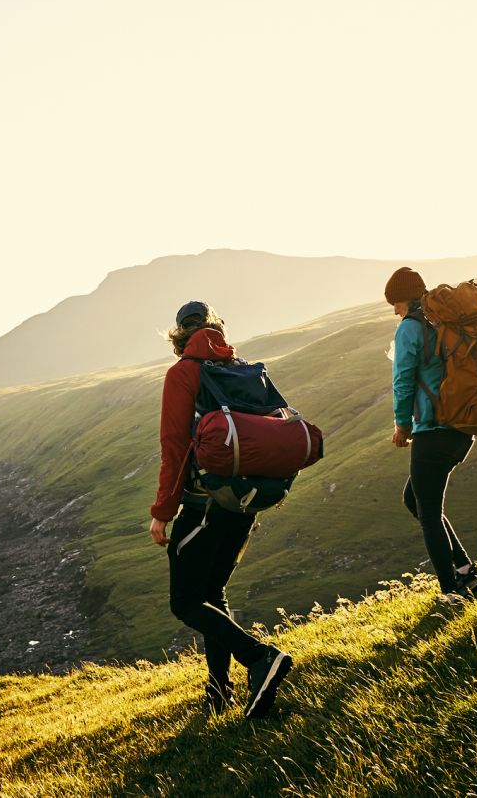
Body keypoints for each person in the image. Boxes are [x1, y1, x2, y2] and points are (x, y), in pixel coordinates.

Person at [148, 300, 292, 718]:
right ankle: (219, 692)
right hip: (245, 501)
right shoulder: (243, 368)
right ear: (217, 330)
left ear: (179, 336)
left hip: (203, 504)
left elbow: (174, 447)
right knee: (213, 593)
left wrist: (163, 511)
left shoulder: (183, 373)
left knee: (186, 601)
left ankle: (260, 658)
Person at [385, 267, 477, 600]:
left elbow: (402, 381)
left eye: (395, 304)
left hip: (434, 430)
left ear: (403, 299)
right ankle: (465, 571)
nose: (395, 310)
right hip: (462, 428)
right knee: (413, 499)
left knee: (428, 512)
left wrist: (403, 424)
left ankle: (452, 592)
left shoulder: (410, 329)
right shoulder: (442, 322)